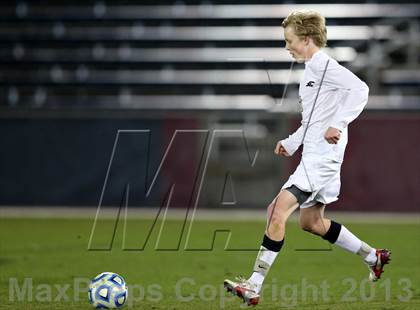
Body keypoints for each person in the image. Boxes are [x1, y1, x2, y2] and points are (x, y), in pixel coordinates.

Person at [224, 10, 391, 306]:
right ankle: (373, 256)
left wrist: (338, 124)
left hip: (322, 160)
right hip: (317, 157)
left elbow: (361, 90)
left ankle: (253, 284)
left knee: (276, 210)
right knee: (311, 222)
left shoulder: (324, 66)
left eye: (289, 40)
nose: (286, 46)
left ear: (306, 38)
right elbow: (313, 119)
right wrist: (291, 142)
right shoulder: (313, 70)